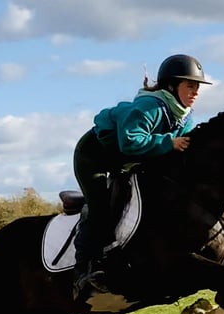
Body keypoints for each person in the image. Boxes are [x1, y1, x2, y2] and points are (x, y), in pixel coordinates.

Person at [72, 54, 211, 298]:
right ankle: (83, 270)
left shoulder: (186, 116)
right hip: (94, 157)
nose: (196, 92)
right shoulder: (150, 107)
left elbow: (183, 151)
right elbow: (131, 143)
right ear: (172, 85)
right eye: (190, 85)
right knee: (100, 208)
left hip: (129, 161)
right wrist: (169, 142)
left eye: (197, 86)